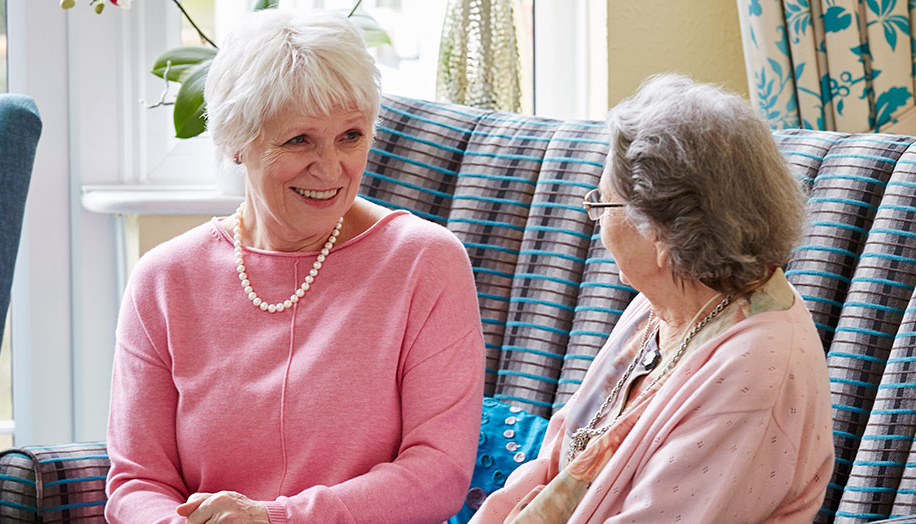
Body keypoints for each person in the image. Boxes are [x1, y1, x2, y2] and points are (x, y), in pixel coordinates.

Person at [105, 10, 484, 524]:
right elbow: (137, 482)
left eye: (350, 136)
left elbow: (438, 473)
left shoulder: (425, 262)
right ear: (236, 143)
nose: (330, 169)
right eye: (299, 140)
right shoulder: (164, 279)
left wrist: (276, 519)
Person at [470, 74, 834, 524]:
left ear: (663, 233)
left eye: (600, 205)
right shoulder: (667, 300)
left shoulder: (753, 370)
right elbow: (560, 453)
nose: (595, 225)